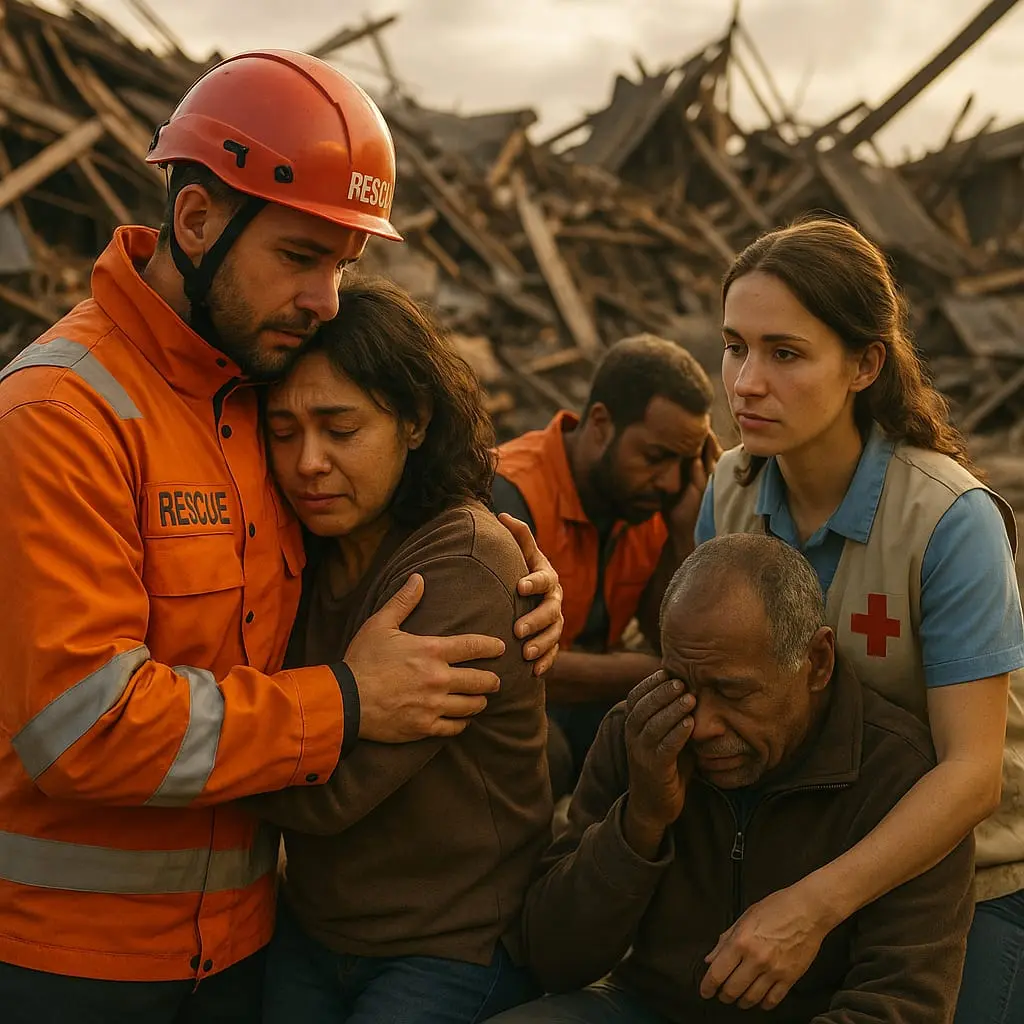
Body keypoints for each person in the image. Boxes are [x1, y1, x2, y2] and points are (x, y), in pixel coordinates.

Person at [0, 52, 561, 1023]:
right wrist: (345, 701)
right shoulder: (60, 415)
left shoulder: (256, 392)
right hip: (73, 964)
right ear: (198, 221)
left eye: (343, 267)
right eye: (300, 257)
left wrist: (514, 549)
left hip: (245, 948)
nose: (326, 301)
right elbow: (81, 724)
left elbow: (396, 481)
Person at [694, 217, 1024, 1021]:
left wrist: (810, 907)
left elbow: (972, 774)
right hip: (800, 840)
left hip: (973, 868)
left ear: (865, 364)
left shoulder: (949, 520)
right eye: (735, 346)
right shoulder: (731, 492)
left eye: (785, 353)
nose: (744, 383)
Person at [492, 534, 975, 1024]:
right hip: (648, 1005)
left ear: (817, 663)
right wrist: (640, 824)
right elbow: (553, 958)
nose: (701, 725)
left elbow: (899, 1007)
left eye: (733, 692)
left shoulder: (901, 775)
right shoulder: (641, 733)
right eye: (681, 684)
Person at [242, 278, 553, 1023]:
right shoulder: (296, 550)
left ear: (414, 421)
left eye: (340, 429)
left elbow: (334, 796)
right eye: (283, 433)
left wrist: (177, 750)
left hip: (449, 943)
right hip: (314, 929)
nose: (309, 462)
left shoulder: (464, 564)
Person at [493, 335, 716, 793]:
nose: (671, 480)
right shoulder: (510, 496)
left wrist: (682, 535)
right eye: (655, 458)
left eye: (685, 463)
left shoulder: (651, 503)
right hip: (503, 707)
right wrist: (655, 672)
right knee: (543, 753)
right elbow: (511, 667)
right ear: (600, 423)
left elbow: (663, 634)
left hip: (587, 703)